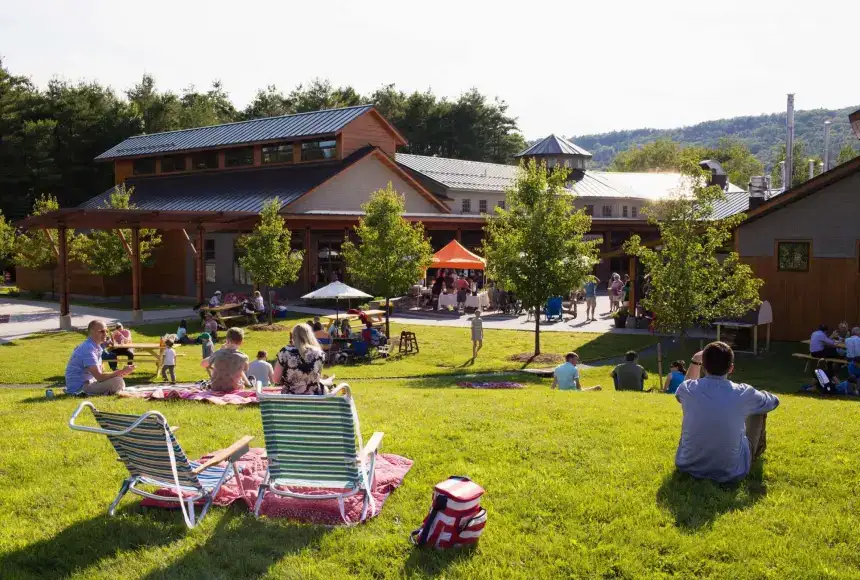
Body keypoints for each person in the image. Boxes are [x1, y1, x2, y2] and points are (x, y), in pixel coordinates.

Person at [674, 341, 779, 482]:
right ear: (731, 368)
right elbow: (773, 402)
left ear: (703, 367)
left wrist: (695, 361)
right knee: (759, 408)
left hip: (687, 466)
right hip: (731, 471)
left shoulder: (688, 388)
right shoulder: (743, 392)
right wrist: (760, 395)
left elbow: (683, 389)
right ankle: (755, 454)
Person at [65, 320, 135, 395]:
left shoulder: (95, 347)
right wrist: (121, 371)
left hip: (88, 383)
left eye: (106, 331)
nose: (105, 334)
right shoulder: (88, 348)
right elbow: (99, 377)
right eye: (102, 331)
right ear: (92, 332)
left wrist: (119, 373)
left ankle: (112, 390)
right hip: (79, 388)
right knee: (117, 382)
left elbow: (100, 375)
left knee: (117, 380)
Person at [274, 323, 328, 395]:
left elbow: (276, 379)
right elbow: (317, 376)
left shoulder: (285, 352)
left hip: (290, 399)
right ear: (310, 335)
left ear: (293, 336)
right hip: (313, 399)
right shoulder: (319, 353)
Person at [200, 327, 250, 392]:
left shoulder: (218, 353)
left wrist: (220, 350)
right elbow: (245, 369)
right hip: (234, 388)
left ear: (226, 340)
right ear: (241, 343)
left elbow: (203, 364)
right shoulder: (244, 357)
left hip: (216, 388)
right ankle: (248, 384)